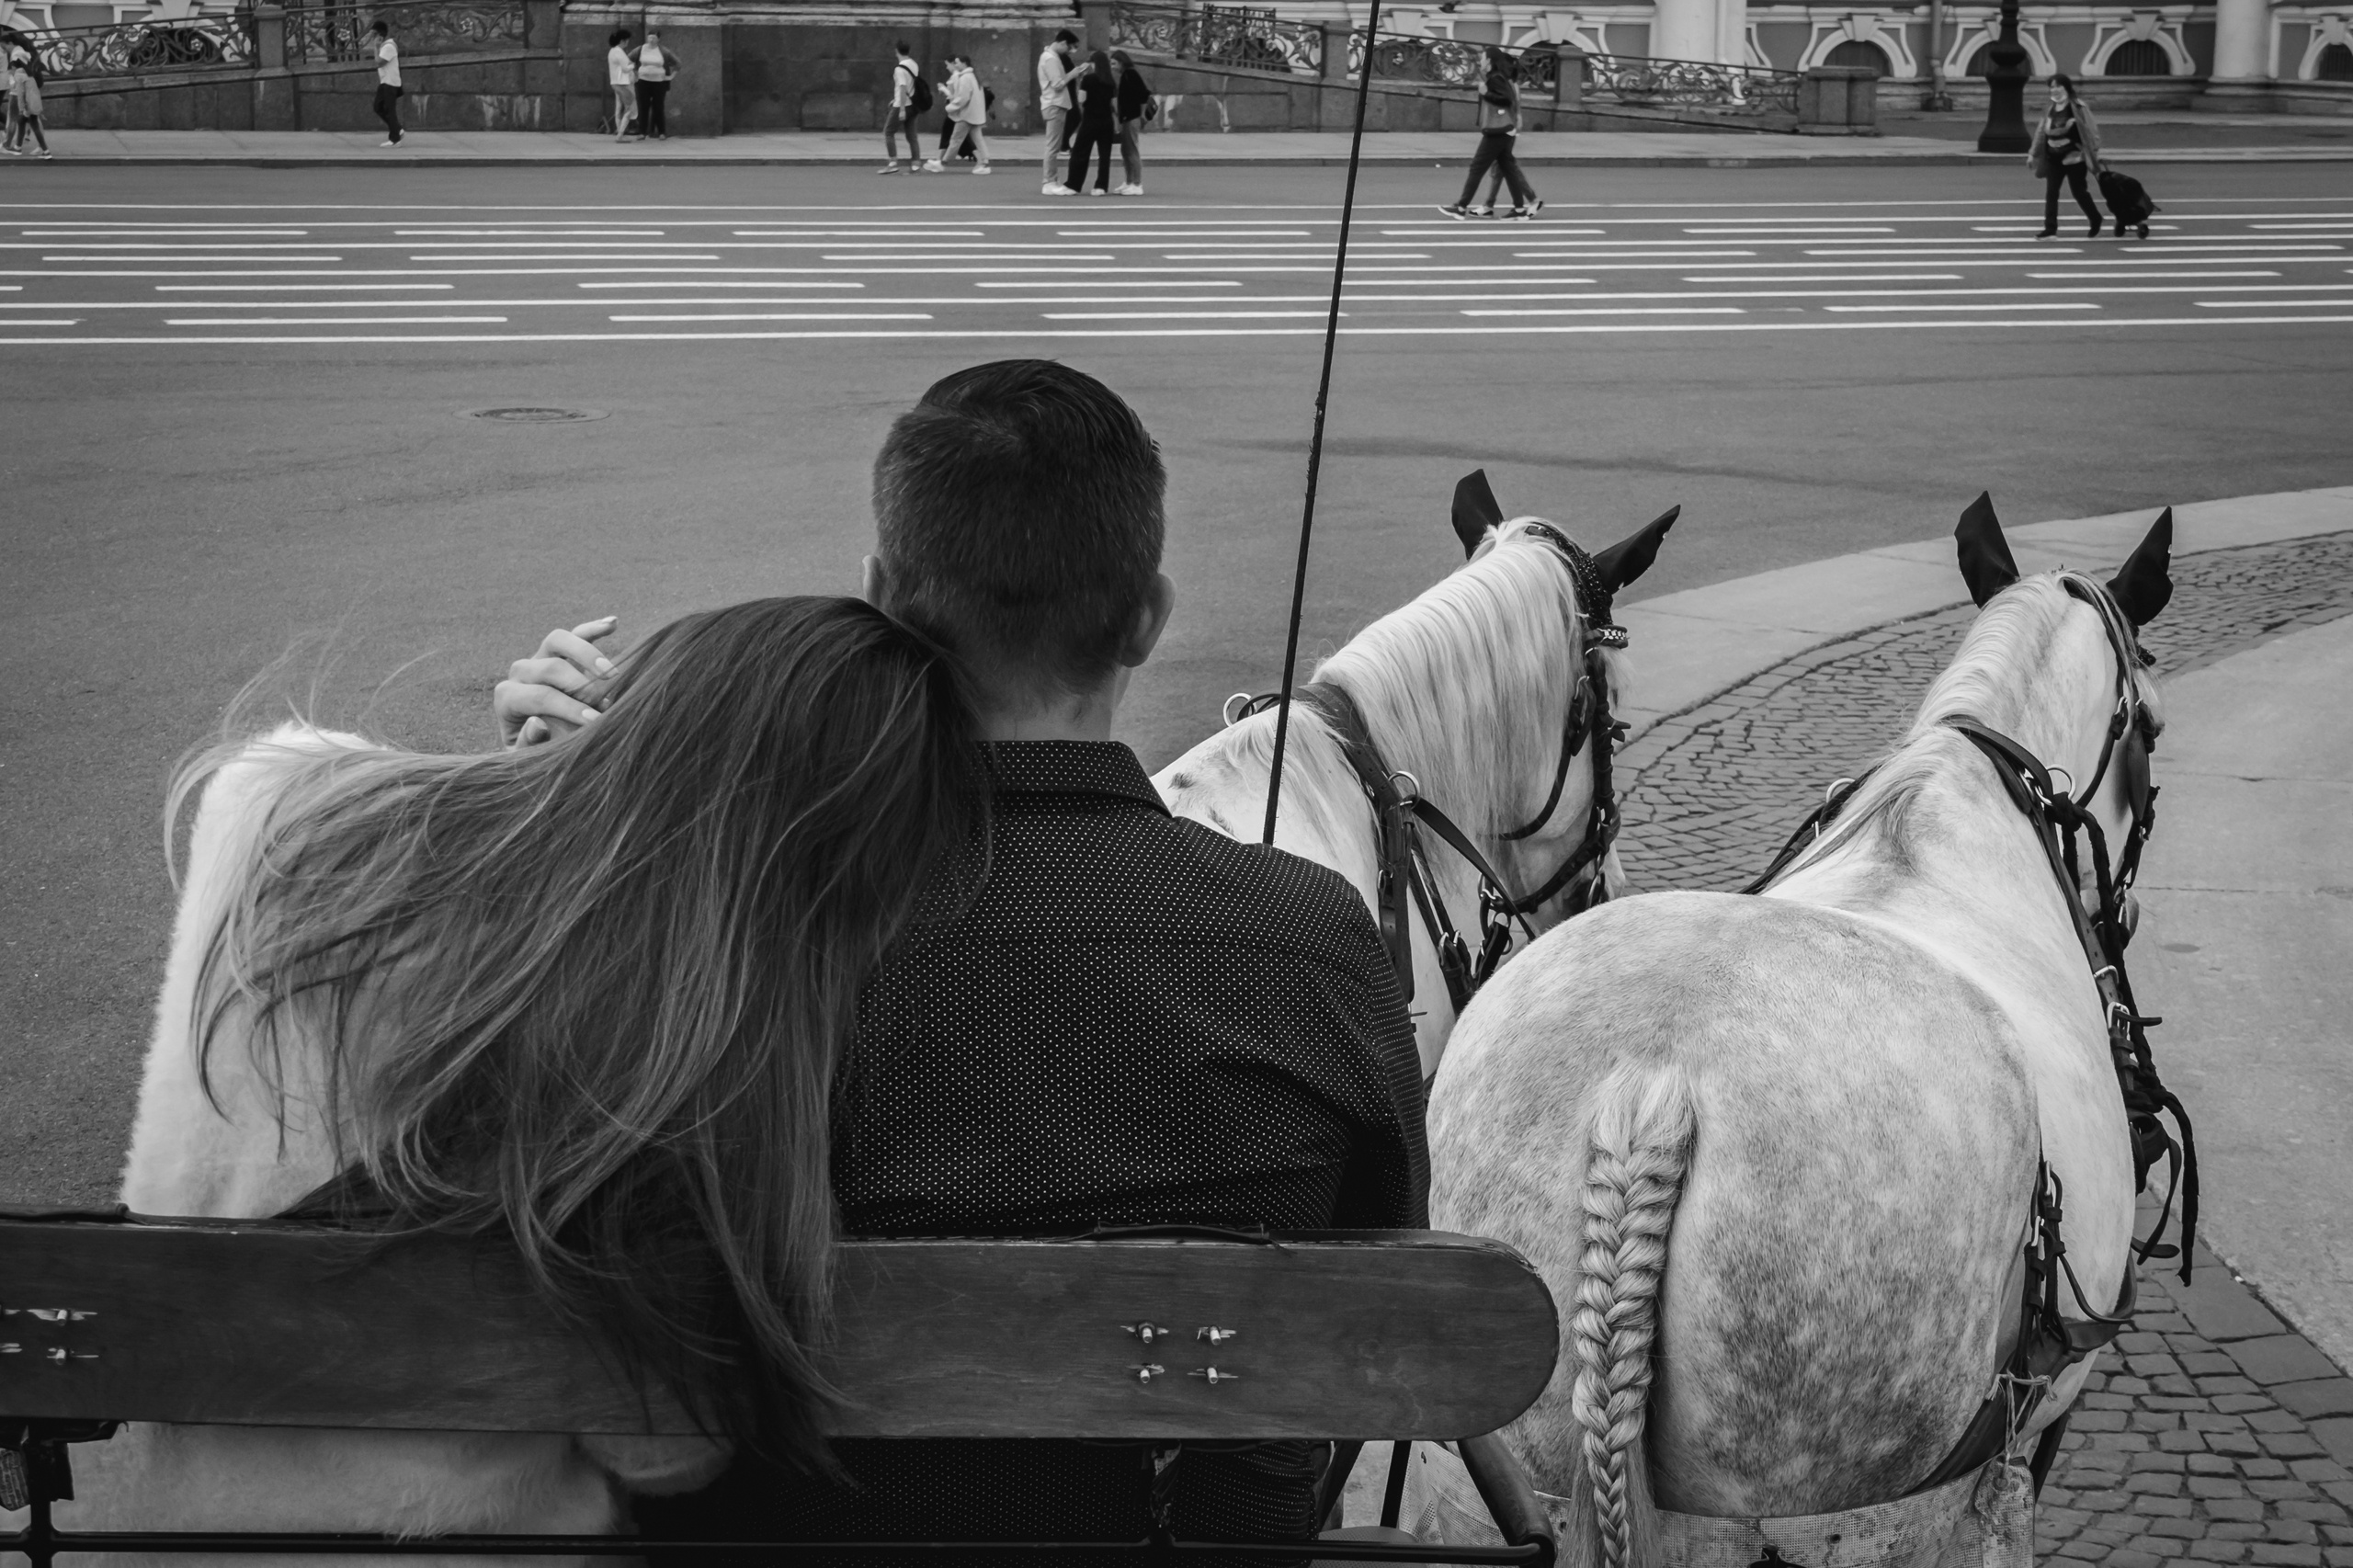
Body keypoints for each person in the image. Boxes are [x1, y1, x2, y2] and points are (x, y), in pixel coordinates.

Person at [494, 360, 1427, 1551]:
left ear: (886, 596)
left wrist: (546, 819)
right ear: (1148, 613)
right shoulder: (1309, 946)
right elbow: (1374, 1315)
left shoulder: (728, 943)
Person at [180, 597, 983, 1473]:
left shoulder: (283, 838)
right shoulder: (692, 1115)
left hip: (187, 1467)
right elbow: (661, 1463)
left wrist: (535, 798)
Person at [1440, 48, 1540, 220]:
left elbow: (1506, 99)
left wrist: (1486, 93)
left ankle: (1461, 207)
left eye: (1483, 58)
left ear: (1490, 61)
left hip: (1497, 131)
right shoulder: (1498, 77)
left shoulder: (1495, 78)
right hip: (1503, 130)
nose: (1481, 62)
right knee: (1508, 169)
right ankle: (1518, 210)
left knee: (1477, 168)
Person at [2029, 74, 2105, 240]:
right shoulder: (2050, 108)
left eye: (2058, 86)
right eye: (2052, 87)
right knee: (2051, 192)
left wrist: (2093, 152)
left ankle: (2095, 218)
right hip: (2053, 158)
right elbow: (2041, 131)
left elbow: (2091, 130)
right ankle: (2050, 229)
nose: (2054, 90)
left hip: (2075, 157)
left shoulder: (2078, 106)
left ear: (2066, 87)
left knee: (2079, 192)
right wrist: (2033, 153)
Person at [1063, 48, 1119, 196]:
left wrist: (1081, 81)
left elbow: (1082, 99)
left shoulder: (1088, 79)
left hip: (1090, 120)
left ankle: (1073, 184)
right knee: (1104, 155)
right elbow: (1114, 104)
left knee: (1080, 152)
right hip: (1106, 121)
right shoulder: (1110, 81)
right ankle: (1101, 186)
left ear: (1094, 63)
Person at [926, 55, 992, 174]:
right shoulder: (972, 76)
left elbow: (962, 98)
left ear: (964, 63)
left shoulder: (965, 78)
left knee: (956, 139)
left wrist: (949, 108)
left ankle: (942, 162)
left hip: (966, 114)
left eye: (957, 63)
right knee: (977, 139)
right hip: (974, 114)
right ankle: (984, 163)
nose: (955, 65)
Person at [1037, 28, 1083, 195]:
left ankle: (1051, 179)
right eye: (1069, 47)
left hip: (1055, 104)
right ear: (1063, 42)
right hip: (1054, 104)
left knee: (1053, 145)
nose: (1069, 51)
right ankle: (1049, 181)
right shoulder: (1050, 58)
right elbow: (1057, 84)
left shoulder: (1051, 56)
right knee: (1053, 146)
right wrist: (1072, 74)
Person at [1111, 49, 1151, 196]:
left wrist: (1141, 116)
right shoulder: (1126, 75)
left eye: (1114, 63)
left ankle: (1137, 183)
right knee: (1125, 150)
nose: (1112, 66)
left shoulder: (1131, 74)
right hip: (1127, 117)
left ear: (1122, 62)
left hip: (1132, 117)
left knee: (1132, 150)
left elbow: (1143, 95)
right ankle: (1129, 181)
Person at [881, 38, 922, 174]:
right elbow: (912, 86)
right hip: (914, 105)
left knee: (888, 132)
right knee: (912, 136)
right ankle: (915, 163)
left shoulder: (899, 69)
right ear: (909, 51)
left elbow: (903, 88)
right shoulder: (914, 64)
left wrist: (902, 108)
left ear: (896, 51)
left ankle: (893, 163)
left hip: (902, 105)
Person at [631, 29, 675, 141]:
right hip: (643, 82)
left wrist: (671, 76)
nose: (651, 40)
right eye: (649, 37)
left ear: (658, 39)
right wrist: (635, 73)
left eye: (654, 38)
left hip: (659, 83)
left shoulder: (664, 51)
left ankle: (661, 132)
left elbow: (677, 63)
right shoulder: (640, 49)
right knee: (643, 107)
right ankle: (642, 132)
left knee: (658, 107)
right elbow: (628, 59)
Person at [4, 48, 46, 158]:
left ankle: (13, 146)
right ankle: (40, 147)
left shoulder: (17, 61)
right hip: (29, 95)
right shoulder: (29, 67)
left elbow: (17, 87)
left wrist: (22, 107)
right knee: (31, 121)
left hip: (18, 95)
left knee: (17, 120)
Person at [369, 18, 403, 147]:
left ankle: (395, 139)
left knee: (390, 110)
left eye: (374, 34)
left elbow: (379, 62)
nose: (372, 37)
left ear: (380, 35)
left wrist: (376, 47)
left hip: (390, 83)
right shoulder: (386, 46)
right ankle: (398, 129)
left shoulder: (389, 46)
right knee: (378, 107)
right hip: (385, 82)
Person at [605, 28, 637, 142]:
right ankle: (620, 134)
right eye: (627, 40)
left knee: (618, 108)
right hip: (624, 83)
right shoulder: (620, 52)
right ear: (623, 40)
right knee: (629, 109)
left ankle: (619, 132)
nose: (628, 42)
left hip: (615, 82)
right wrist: (633, 65)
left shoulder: (612, 51)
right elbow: (625, 68)